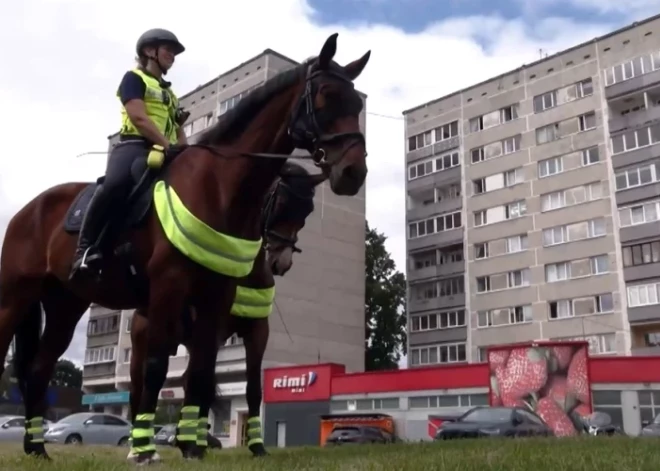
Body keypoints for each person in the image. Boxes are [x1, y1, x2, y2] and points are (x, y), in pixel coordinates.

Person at [69, 28, 190, 281]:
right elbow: (138, 117)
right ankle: (84, 249)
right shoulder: (133, 78)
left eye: (174, 52)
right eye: (168, 49)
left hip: (164, 152)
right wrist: (167, 147)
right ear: (149, 51)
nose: (173, 56)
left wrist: (185, 153)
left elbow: (178, 131)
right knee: (115, 184)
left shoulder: (171, 95)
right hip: (134, 147)